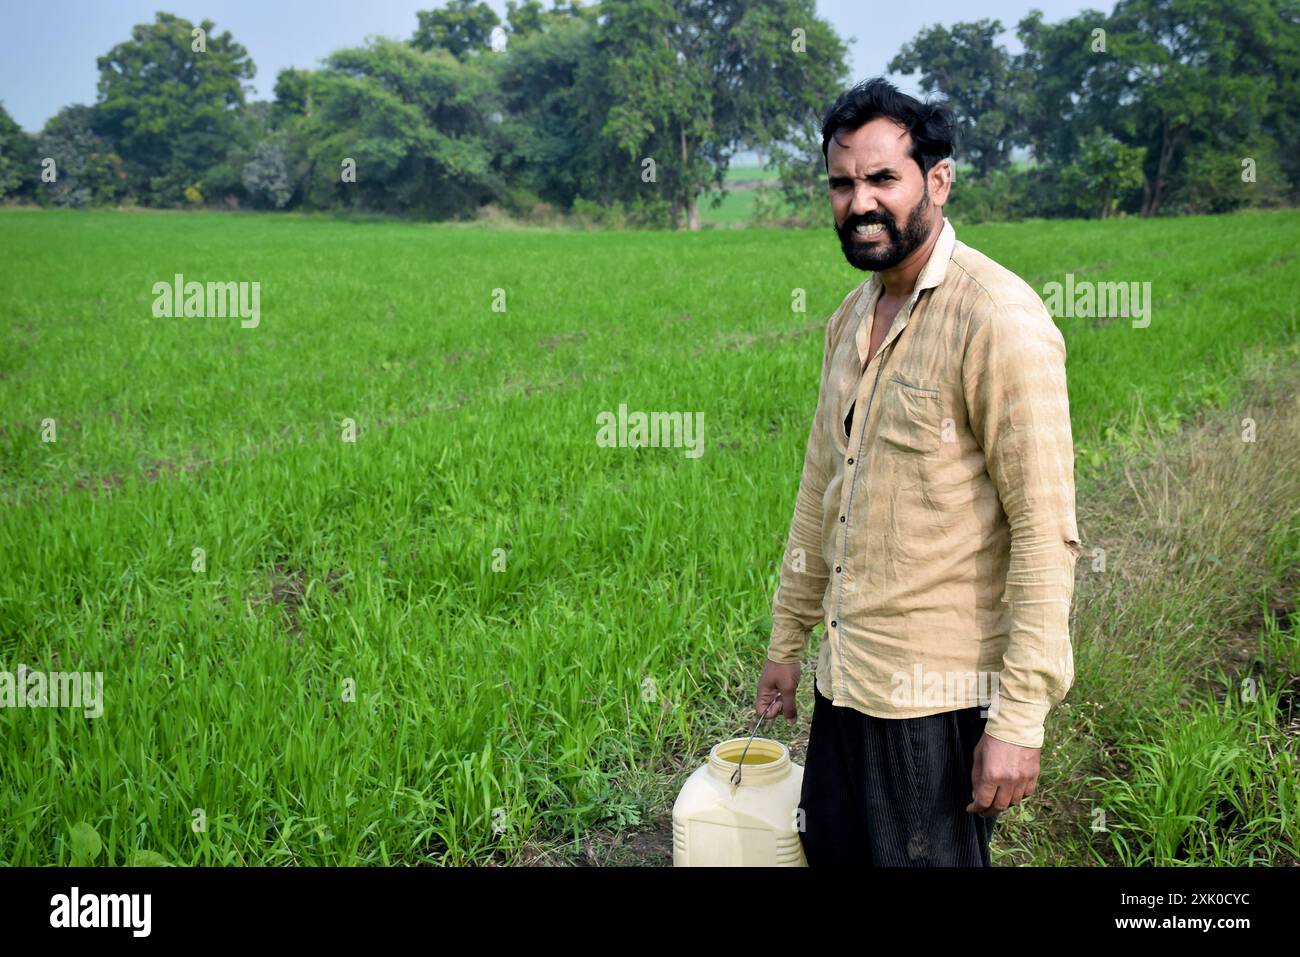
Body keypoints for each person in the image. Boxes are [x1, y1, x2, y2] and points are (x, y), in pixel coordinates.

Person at [755, 77, 1082, 867]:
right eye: (842, 183)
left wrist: (1019, 719)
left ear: (937, 181)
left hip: (932, 700)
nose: (859, 202)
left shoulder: (997, 319)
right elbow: (819, 491)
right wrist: (787, 636)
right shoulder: (849, 317)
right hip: (846, 678)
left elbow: (1045, 529)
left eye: (882, 179)